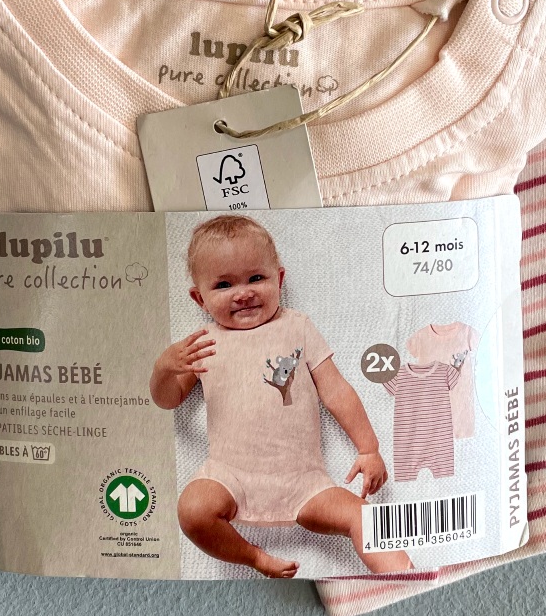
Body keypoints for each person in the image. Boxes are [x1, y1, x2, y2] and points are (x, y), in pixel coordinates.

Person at [151, 214, 411, 578]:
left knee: (364, 517)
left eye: (256, 278)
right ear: (200, 298)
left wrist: (368, 448)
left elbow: (335, 390)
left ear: (280, 279)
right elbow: (167, 400)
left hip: (306, 485)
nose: (243, 293)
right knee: (192, 511)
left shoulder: (296, 326)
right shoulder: (202, 344)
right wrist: (164, 368)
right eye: (224, 284)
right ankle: (254, 557)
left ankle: (405, 580)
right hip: (230, 477)